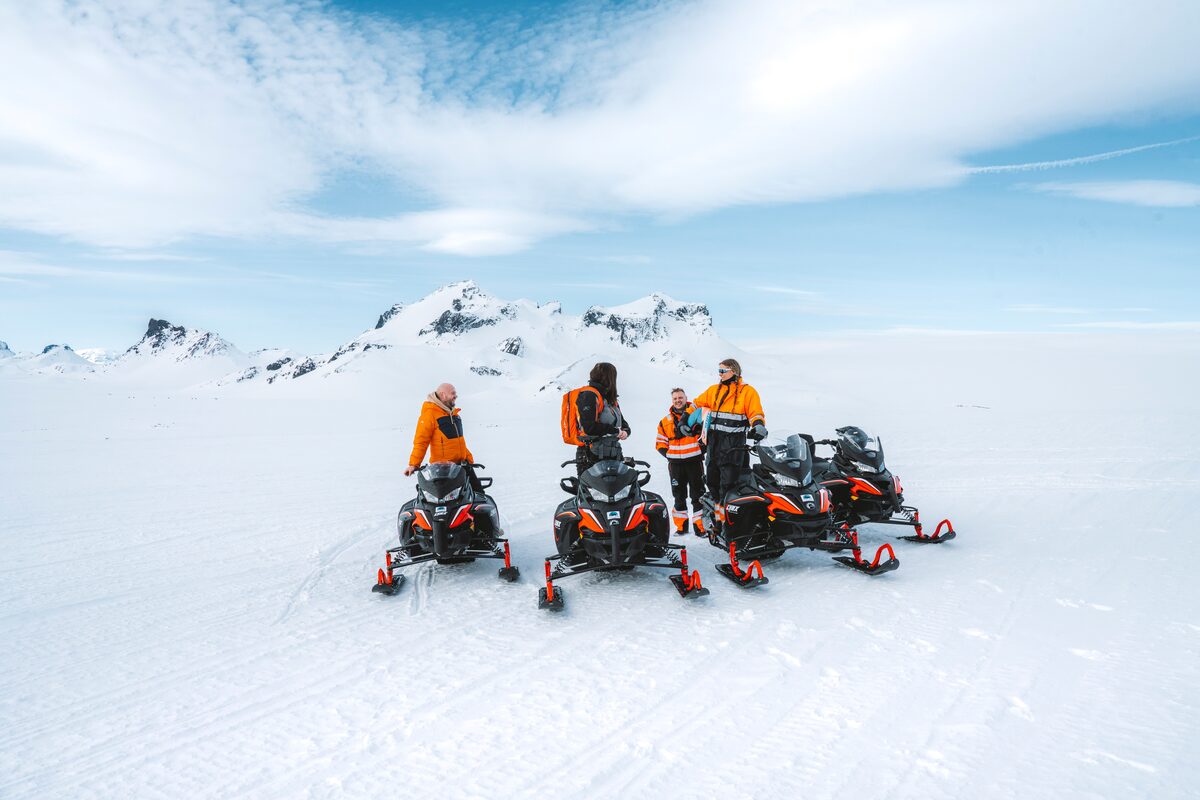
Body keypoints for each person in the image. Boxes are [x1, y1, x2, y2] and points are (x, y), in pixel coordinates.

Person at [693, 359, 767, 519]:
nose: (719, 374)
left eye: (723, 371)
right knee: (712, 484)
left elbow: (756, 413)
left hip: (734, 448)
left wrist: (759, 425)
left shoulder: (748, 392)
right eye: (718, 371)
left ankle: (732, 523)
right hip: (714, 446)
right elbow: (696, 404)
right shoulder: (713, 390)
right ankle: (719, 521)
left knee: (729, 486)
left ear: (734, 371)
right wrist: (687, 418)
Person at [405, 383, 482, 489]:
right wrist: (414, 464)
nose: (456, 396)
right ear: (443, 395)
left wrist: (468, 458)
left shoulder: (454, 415)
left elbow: (457, 441)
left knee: (478, 495)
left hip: (462, 466)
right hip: (443, 470)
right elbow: (421, 442)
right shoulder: (430, 415)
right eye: (453, 393)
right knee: (448, 502)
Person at [656, 388, 706, 536]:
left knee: (698, 495)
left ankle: (700, 528)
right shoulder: (665, 421)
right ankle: (681, 527)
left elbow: (706, 436)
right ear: (672, 401)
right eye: (675, 398)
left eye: (680, 397)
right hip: (676, 465)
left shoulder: (697, 415)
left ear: (686, 398)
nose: (678, 400)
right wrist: (670, 455)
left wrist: (701, 450)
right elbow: (660, 443)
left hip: (694, 462)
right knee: (679, 495)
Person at [568, 362, 630, 475]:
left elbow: (623, 423)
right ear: (609, 378)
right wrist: (615, 431)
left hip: (613, 453)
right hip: (591, 454)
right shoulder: (589, 395)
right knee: (593, 492)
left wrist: (625, 432)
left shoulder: (610, 399)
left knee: (619, 491)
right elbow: (589, 427)